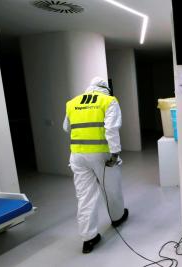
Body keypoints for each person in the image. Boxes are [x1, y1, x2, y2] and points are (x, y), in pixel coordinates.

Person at [63, 77, 129, 253]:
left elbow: (66, 127)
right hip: (101, 154)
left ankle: (88, 238)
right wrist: (114, 153)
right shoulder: (108, 101)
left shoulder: (72, 103)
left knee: (84, 196)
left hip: (77, 155)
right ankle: (117, 217)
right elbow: (111, 129)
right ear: (106, 88)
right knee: (111, 188)